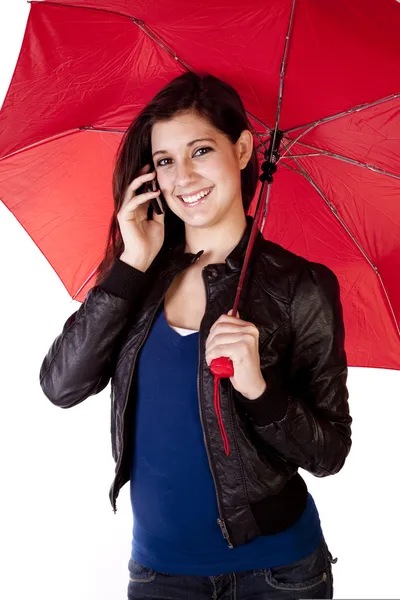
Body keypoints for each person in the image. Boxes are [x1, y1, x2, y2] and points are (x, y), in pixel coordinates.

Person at [39, 72, 352, 600]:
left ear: (245, 149)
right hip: (161, 575)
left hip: (280, 576)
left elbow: (330, 452)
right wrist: (132, 262)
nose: (183, 176)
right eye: (165, 160)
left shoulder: (302, 286)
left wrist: (258, 388)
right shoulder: (138, 276)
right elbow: (61, 385)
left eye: (201, 150)